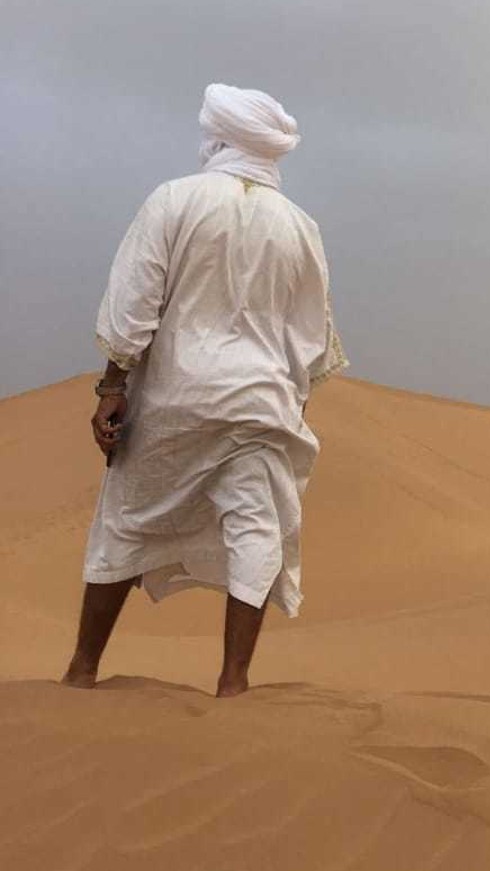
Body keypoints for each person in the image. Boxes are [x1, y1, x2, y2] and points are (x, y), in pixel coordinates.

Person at [62, 83, 348, 697]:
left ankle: (83, 671)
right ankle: (233, 682)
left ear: (219, 140)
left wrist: (112, 386)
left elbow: (134, 300)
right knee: (256, 529)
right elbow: (312, 334)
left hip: (175, 398)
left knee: (128, 521)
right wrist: (292, 401)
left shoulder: (175, 200)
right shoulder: (300, 226)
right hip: (262, 403)